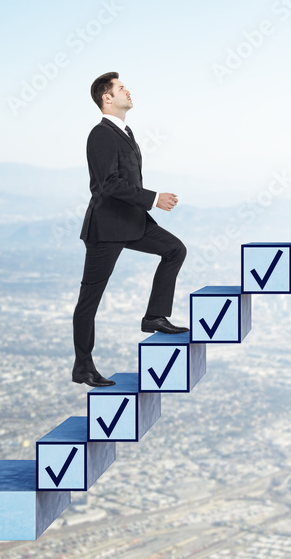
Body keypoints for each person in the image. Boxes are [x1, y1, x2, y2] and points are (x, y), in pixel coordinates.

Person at [71, 71, 188, 387]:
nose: (128, 91)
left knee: (175, 249)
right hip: (106, 228)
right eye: (121, 88)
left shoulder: (125, 132)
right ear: (107, 97)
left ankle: (154, 317)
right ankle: (83, 367)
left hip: (132, 222)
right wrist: (153, 199)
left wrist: (146, 204)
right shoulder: (101, 135)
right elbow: (107, 185)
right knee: (90, 300)